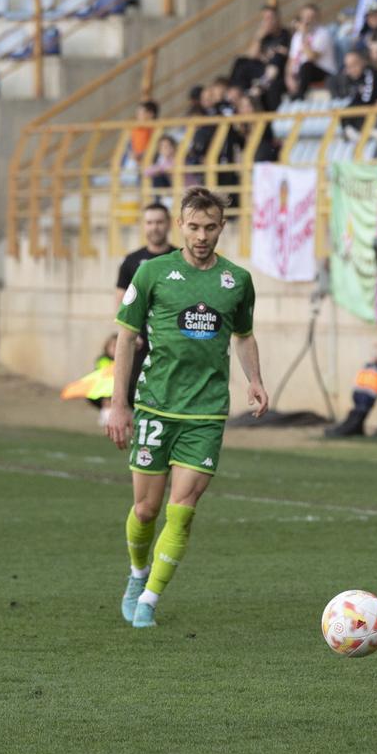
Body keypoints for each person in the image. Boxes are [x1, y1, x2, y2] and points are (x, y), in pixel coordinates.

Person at [106, 188, 267, 629]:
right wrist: (118, 404)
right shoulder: (152, 273)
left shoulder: (237, 280)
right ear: (181, 225)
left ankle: (149, 601)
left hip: (207, 413)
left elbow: (245, 336)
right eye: (194, 226)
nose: (201, 235)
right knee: (146, 510)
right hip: (155, 406)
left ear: (222, 227)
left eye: (210, 227)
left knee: (183, 507)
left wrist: (254, 380)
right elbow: (124, 337)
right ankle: (138, 575)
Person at [112, 200, 175, 406]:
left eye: (159, 222)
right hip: (139, 342)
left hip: (172, 343)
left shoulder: (181, 259)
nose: (154, 227)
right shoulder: (131, 261)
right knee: (135, 394)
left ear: (169, 224)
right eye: (149, 222)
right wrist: (131, 332)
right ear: (143, 225)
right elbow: (121, 300)